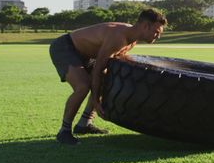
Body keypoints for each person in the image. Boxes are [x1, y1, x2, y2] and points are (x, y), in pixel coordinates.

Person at [49, 8, 167, 145]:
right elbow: (98, 69)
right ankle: (64, 132)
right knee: (83, 86)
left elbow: (110, 65)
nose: (158, 36)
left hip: (86, 54)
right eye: (156, 32)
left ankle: (83, 124)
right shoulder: (118, 38)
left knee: (105, 80)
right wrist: (96, 100)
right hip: (65, 47)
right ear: (146, 26)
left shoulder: (132, 40)